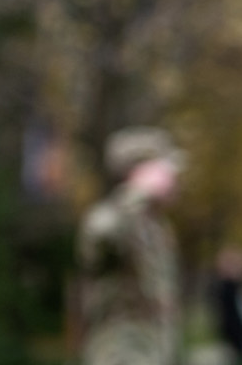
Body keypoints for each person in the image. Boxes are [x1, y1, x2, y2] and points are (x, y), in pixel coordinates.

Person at [77, 126, 186, 365]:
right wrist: (136, 193)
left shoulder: (155, 225)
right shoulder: (114, 216)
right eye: (167, 170)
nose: (176, 179)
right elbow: (98, 239)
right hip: (122, 353)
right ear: (141, 172)